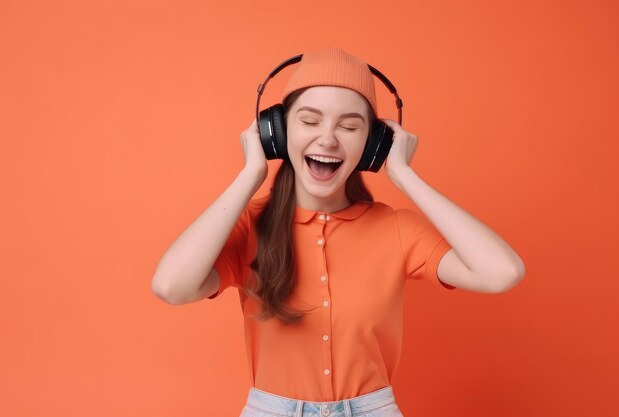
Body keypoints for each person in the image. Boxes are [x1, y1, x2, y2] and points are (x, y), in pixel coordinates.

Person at [151, 47, 525, 417]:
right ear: (276, 133)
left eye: (349, 126)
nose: (328, 139)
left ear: (372, 146)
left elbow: (501, 272)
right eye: (309, 121)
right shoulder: (249, 225)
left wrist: (406, 176)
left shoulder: (396, 228)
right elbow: (171, 286)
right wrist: (250, 174)